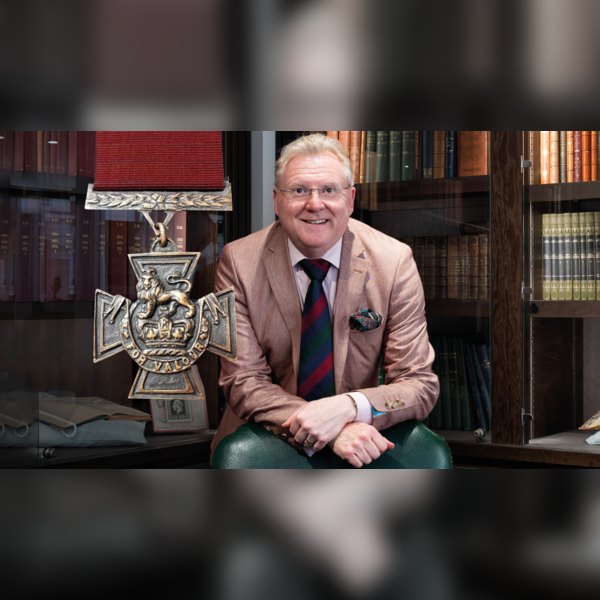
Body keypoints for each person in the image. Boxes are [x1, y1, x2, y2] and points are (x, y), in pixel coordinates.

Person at [210, 134, 439, 468]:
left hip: (364, 445)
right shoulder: (239, 262)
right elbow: (243, 382)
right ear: (276, 200)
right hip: (264, 444)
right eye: (299, 190)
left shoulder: (393, 261)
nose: (315, 204)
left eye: (329, 190)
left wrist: (348, 407)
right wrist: (330, 430)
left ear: (350, 199)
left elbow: (418, 384)